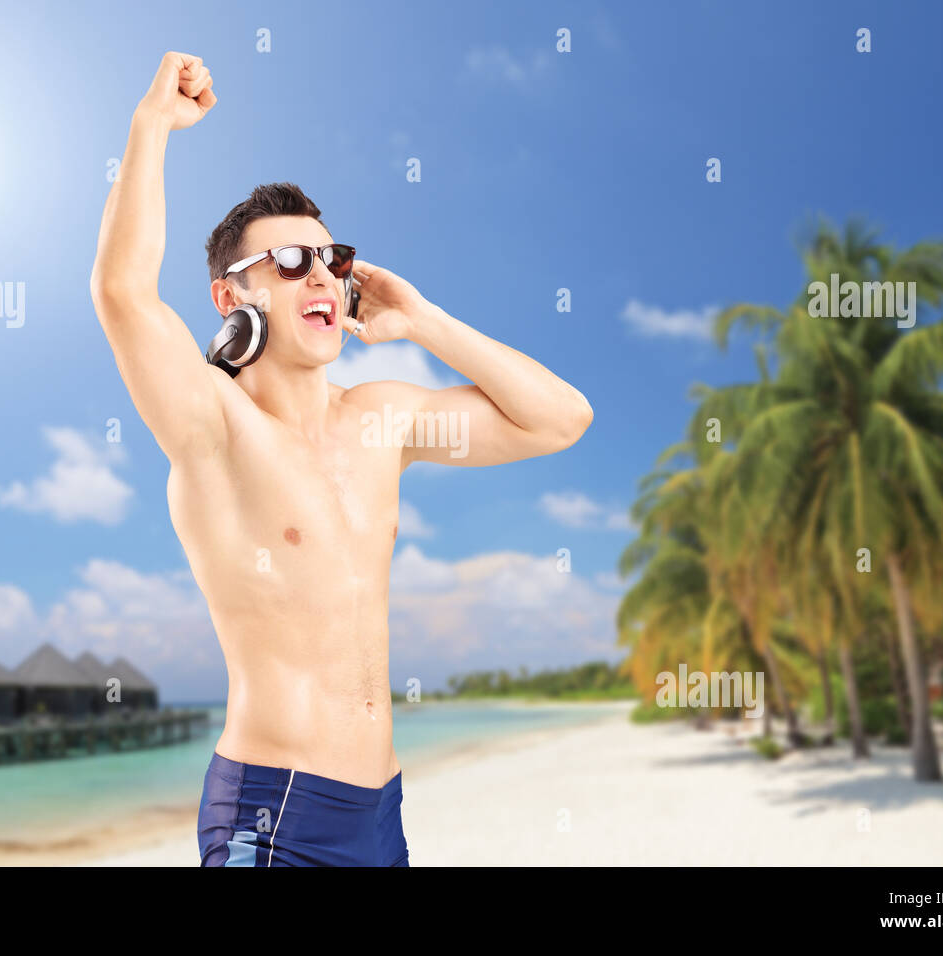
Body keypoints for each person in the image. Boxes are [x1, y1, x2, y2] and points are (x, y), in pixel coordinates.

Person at [90, 51, 593, 866]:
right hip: (272, 815)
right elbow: (121, 292)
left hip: (380, 812)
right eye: (290, 262)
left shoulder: (382, 420)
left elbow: (560, 420)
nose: (320, 274)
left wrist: (425, 320)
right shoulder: (214, 428)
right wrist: (152, 126)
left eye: (332, 259)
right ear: (231, 296)